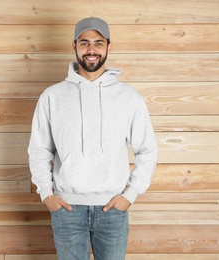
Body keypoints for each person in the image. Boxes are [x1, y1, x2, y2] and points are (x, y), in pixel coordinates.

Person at [28, 17, 158, 260]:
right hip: (67, 209)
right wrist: (46, 193)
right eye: (85, 43)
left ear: (109, 47)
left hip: (112, 209)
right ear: (74, 46)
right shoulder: (52, 96)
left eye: (98, 43)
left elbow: (147, 150)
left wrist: (130, 195)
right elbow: (39, 150)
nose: (91, 50)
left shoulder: (129, 97)